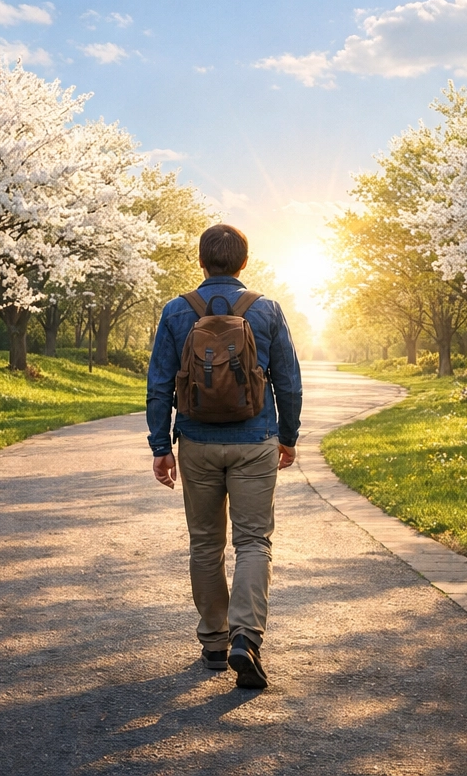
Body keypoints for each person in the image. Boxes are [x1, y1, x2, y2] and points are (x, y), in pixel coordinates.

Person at [146, 223, 303, 689]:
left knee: (205, 543)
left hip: (195, 442)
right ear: (244, 263)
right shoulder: (267, 310)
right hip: (255, 440)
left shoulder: (177, 311)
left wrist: (161, 446)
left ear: (200, 261)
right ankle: (246, 637)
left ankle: (214, 640)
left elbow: (158, 385)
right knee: (254, 541)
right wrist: (287, 436)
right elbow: (289, 381)